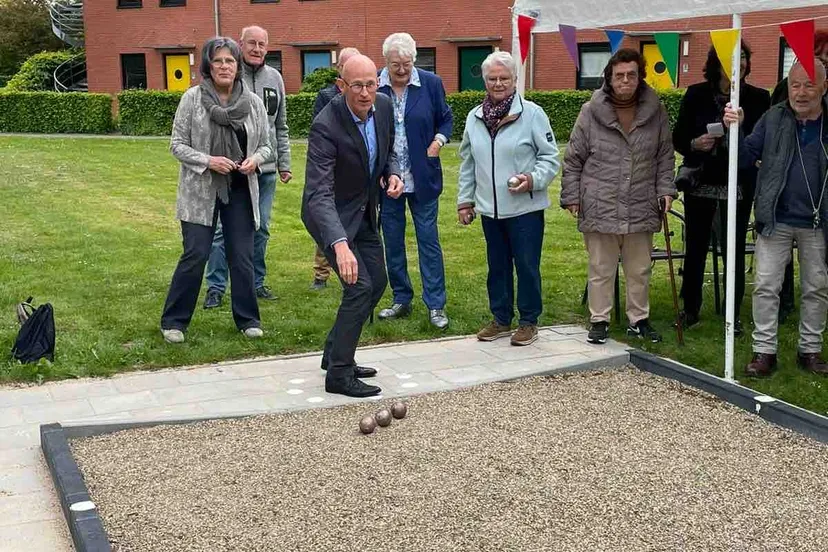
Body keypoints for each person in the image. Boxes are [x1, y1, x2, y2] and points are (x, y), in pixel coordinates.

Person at [302, 54, 403, 397]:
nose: (364, 93)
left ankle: (335, 352)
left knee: (377, 282)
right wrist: (340, 244)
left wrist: (392, 173)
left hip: (363, 212)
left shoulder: (383, 107)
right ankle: (339, 375)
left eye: (370, 84)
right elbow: (319, 193)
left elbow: (387, 150)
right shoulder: (326, 125)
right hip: (329, 217)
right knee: (359, 286)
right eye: (356, 85)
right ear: (341, 86)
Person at [561, 48, 676, 345]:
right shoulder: (590, 111)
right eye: (619, 75)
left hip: (641, 200)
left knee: (640, 269)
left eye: (631, 75)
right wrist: (571, 195)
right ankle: (599, 319)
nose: (625, 80)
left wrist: (666, 189)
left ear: (640, 77)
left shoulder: (657, 112)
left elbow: (665, 156)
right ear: (609, 79)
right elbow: (573, 158)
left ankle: (639, 320)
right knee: (601, 267)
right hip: (600, 201)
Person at [161, 37, 272, 343]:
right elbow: (176, 145)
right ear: (208, 66)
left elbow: (266, 145)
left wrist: (255, 160)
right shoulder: (192, 99)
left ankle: (248, 319)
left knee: (242, 256)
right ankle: (174, 322)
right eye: (218, 61)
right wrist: (208, 161)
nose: (224, 66)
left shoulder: (253, 103)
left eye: (230, 61)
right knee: (196, 254)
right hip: (200, 190)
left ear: (238, 67)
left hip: (240, 188)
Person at [724, 60, 828, 377]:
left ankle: (810, 350)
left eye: (809, 85)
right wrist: (736, 129)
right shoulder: (773, 118)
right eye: (795, 85)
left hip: (819, 221)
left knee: (816, 287)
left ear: (824, 87)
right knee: (766, 286)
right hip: (775, 218)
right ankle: (764, 351)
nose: (801, 92)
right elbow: (744, 158)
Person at [457, 51, 559, 346]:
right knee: (497, 267)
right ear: (485, 81)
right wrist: (465, 201)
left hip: (525, 208)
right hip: (490, 210)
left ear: (515, 80)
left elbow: (550, 158)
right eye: (492, 78)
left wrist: (532, 179)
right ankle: (501, 319)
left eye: (504, 78)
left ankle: (528, 321)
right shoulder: (474, 117)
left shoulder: (533, 114)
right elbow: (468, 163)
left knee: (527, 266)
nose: (498, 83)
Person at [672, 43, 770, 336]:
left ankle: (732, 313)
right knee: (696, 247)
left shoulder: (758, 98)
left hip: (738, 183)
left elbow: (761, 143)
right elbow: (679, 137)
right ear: (717, 63)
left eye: (743, 57)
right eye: (733, 57)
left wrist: (742, 127)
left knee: (734, 249)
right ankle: (690, 309)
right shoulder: (696, 94)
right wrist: (695, 143)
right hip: (700, 181)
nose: (739, 63)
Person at [203, 26, 291, 309]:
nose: (257, 48)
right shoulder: (229, 77)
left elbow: (280, 125)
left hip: (264, 170)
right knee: (220, 231)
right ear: (240, 45)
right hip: (228, 170)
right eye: (251, 43)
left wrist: (284, 163)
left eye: (262, 44)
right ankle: (216, 287)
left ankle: (256, 282)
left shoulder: (275, 79)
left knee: (261, 227)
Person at [376, 33, 453, 329]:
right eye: (395, 64)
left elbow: (446, 119)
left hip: (423, 176)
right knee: (393, 241)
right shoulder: (376, 84)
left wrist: (437, 142)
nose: (401, 70)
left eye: (406, 64)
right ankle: (401, 298)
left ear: (414, 60)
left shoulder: (430, 84)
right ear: (386, 61)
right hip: (388, 179)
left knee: (428, 241)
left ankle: (436, 304)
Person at [771, 30, 828, 321]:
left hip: (820, 197)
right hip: (785, 195)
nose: (823, 62)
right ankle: (784, 304)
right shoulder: (785, 91)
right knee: (776, 268)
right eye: (820, 57)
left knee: (817, 275)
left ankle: (813, 332)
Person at [309, 46, 361, 291]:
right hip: (332, 169)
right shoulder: (326, 95)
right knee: (328, 221)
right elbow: (320, 129)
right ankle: (321, 274)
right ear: (339, 69)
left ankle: (355, 270)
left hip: (357, 171)